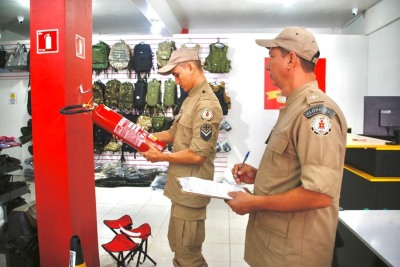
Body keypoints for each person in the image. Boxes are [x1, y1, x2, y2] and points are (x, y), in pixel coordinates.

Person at [226, 26, 348, 267]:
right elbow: (294, 173)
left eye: (271, 56)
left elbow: (319, 194)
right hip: (276, 245)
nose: (267, 65)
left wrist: (254, 202)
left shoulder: (316, 114)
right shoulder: (294, 107)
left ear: (291, 59)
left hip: (293, 253)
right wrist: (259, 176)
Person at [140, 47, 223, 267]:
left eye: (177, 74)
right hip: (181, 188)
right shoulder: (191, 98)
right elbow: (174, 133)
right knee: (178, 244)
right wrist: (142, 136)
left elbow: (197, 155)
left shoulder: (206, 105)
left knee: (188, 253)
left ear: (190, 67)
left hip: (192, 188)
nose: (176, 81)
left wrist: (161, 157)